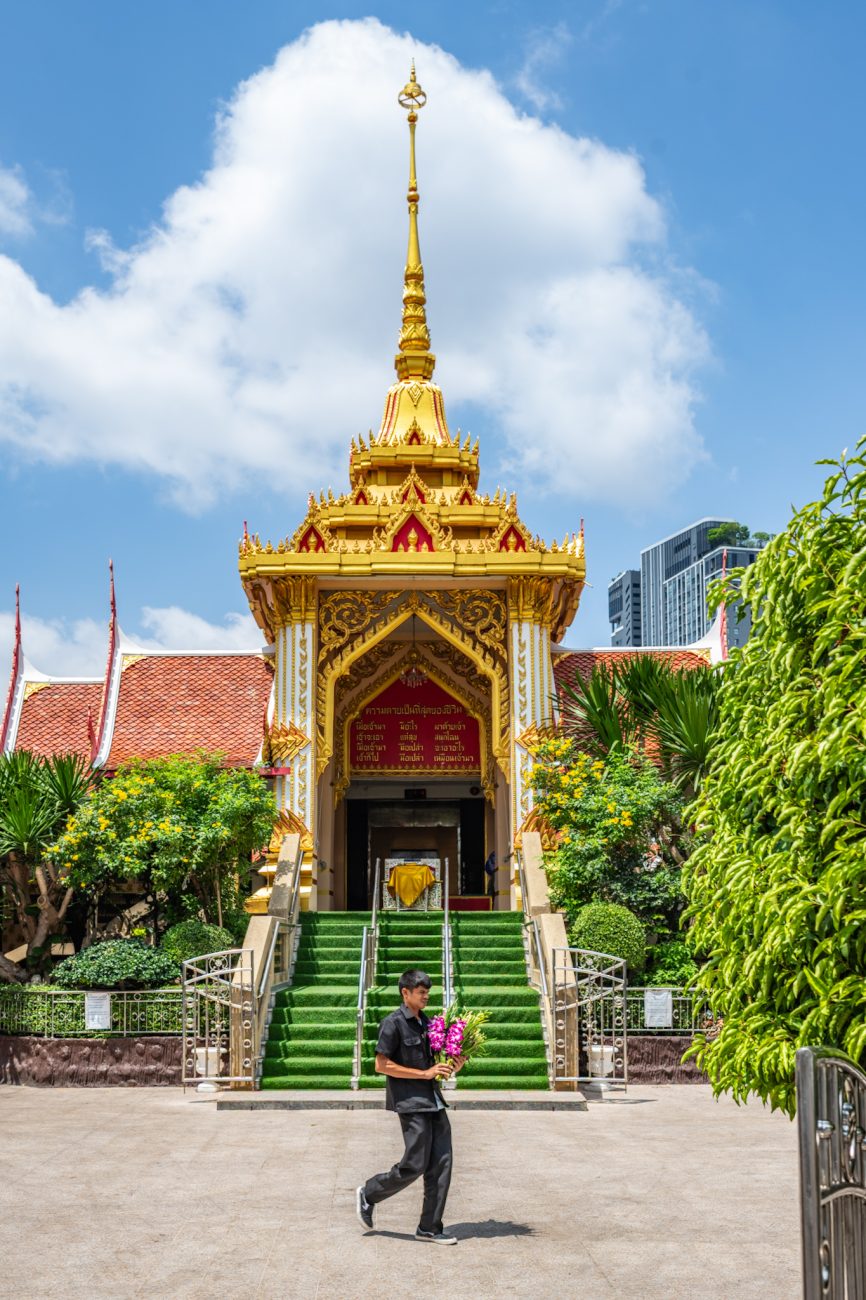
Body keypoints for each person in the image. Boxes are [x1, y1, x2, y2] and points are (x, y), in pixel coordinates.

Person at [356, 969, 464, 1244]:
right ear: (405, 993)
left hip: (434, 1100)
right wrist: (424, 1074)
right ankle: (370, 1193)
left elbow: (433, 1067)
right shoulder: (393, 1023)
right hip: (410, 1101)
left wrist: (451, 1067)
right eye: (421, 992)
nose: (426, 996)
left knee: (442, 1163)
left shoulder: (428, 1024)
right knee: (415, 1163)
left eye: (428, 992)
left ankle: (429, 1228)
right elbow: (381, 1065)